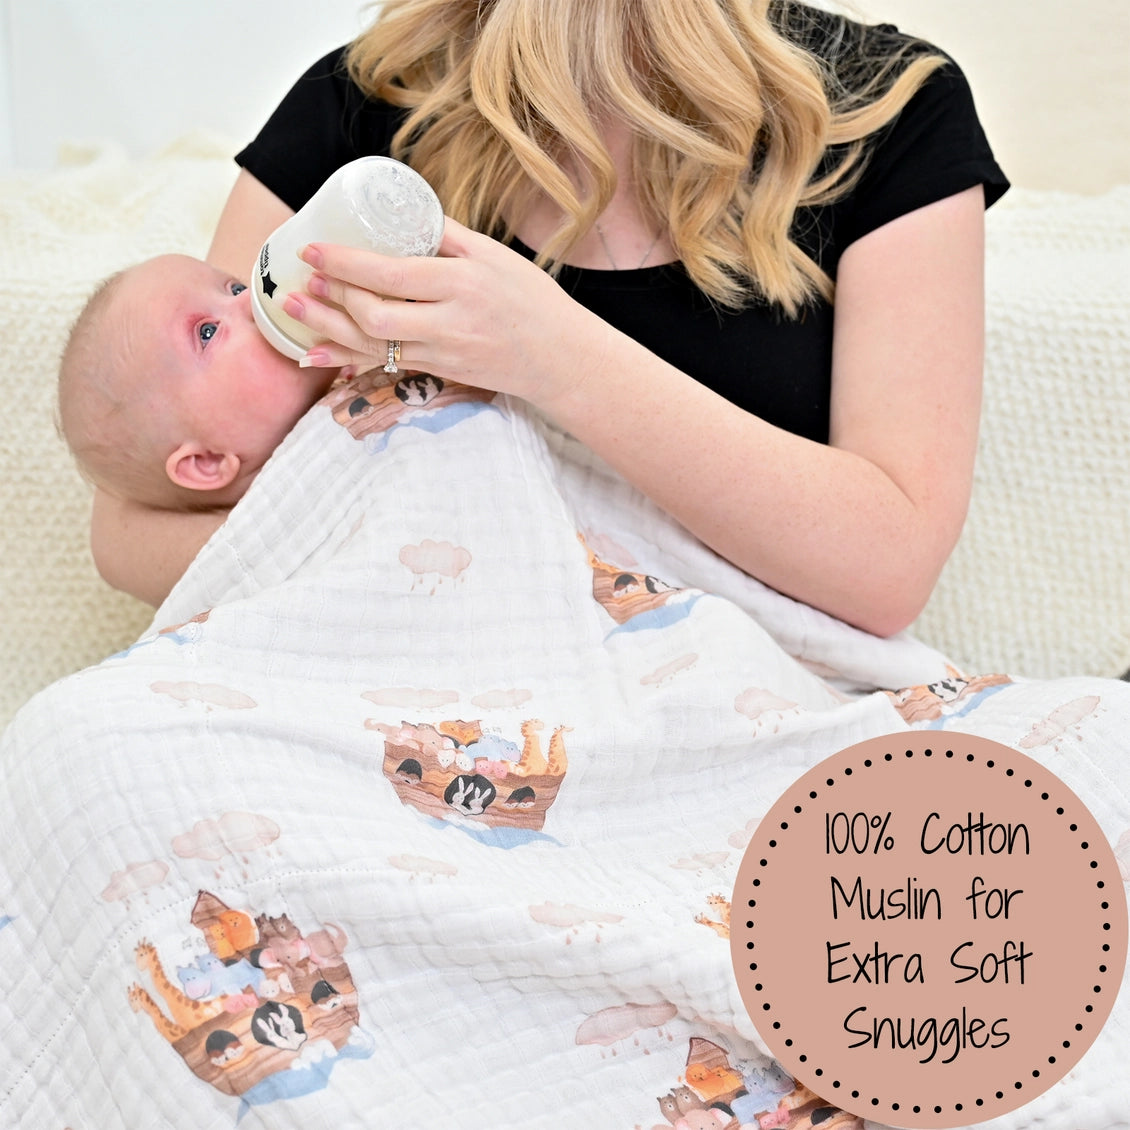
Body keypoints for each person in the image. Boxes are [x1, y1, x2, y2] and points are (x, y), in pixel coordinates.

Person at [91, 0, 1009, 634]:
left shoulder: (884, 111)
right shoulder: (370, 100)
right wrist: (438, 563)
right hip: (423, 700)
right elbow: (132, 530)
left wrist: (554, 356)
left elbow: (889, 572)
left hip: (724, 698)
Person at [59, 253, 337, 540]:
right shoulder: (291, 536)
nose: (252, 298)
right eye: (207, 332)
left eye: (235, 288)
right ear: (207, 461)